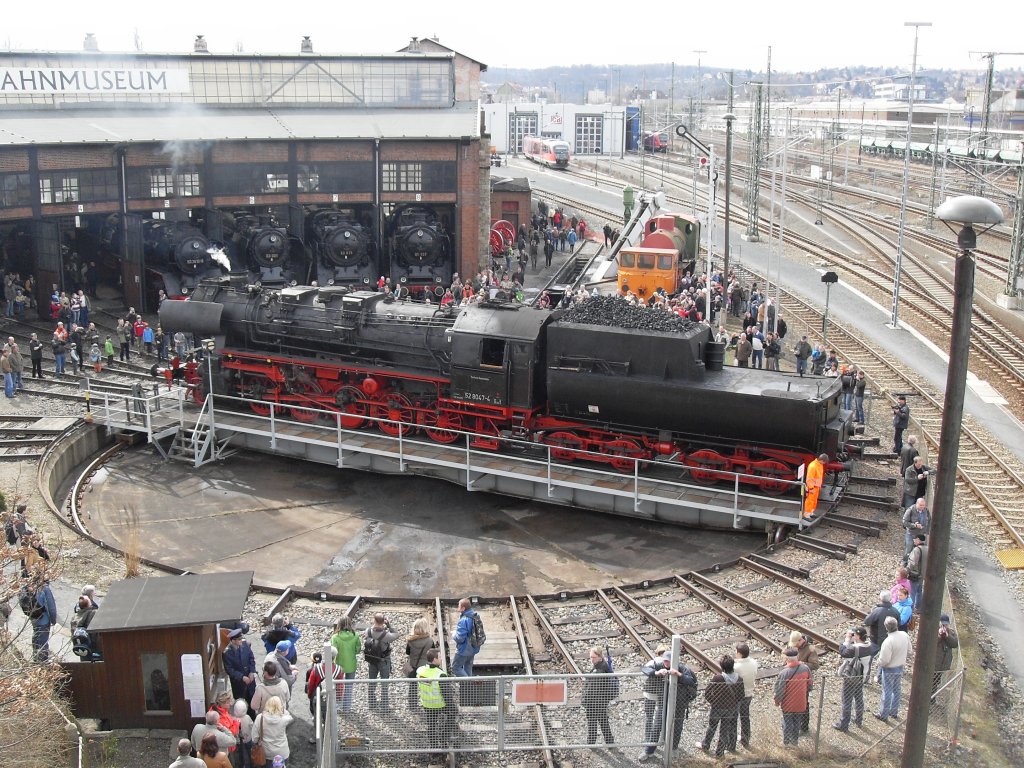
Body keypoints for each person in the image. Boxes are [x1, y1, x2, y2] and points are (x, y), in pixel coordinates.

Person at [638, 646, 697, 762]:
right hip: (663, 701)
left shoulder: (682, 667)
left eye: (668, 661)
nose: (665, 663)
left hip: (680, 702)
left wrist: (678, 674)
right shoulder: (660, 666)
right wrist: (657, 672)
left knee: (678, 726)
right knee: (657, 725)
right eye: (664, 661)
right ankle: (649, 751)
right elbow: (644, 669)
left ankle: (674, 748)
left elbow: (691, 681)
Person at [699, 655, 742, 757]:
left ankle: (706, 745)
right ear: (732, 665)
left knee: (712, 727)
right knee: (724, 730)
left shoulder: (718, 678)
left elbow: (707, 692)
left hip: (717, 707)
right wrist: (734, 703)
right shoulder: (739, 679)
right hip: (730, 708)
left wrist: (713, 702)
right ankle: (720, 752)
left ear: (722, 666)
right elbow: (741, 695)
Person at [834, 627, 875, 731]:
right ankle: (858, 719)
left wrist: (847, 639)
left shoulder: (855, 648)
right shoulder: (870, 646)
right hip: (861, 676)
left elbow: (843, 652)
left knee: (846, 700)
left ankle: (844, 724)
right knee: (859, 698)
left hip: (851, 677)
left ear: (857, 636)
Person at [417, 647, 458, 751]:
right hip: (439, 704)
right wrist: (452, 706)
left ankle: (434, 746)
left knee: (431, 724)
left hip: (426, 704)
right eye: (440, 657)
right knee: (453, 713)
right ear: (434, 660)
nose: (441, 659)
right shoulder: (440, 674)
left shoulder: (420, 671)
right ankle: (444, 737)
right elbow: (447, 695)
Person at [875, 616, 912, 723]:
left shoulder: (888, 641)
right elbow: (910, 651)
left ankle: (883, 714)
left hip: (889, 669)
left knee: (887, 691)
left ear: (886, 628)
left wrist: (878, 663)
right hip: (900, 667)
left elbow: (884, 660)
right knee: (897, 690)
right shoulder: (904, 635)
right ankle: (894, 711)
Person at [774, 647, 812, 747]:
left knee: (787, 723)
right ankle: (795, 742)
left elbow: (780, 690)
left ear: (786, 658)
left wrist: (777, 701)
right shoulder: (806, 668)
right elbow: (810, 684)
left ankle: (786, 743)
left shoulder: (784, 673)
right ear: (797, 657)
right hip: (801, 702)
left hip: (788, 704)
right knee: (797, 722)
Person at [362, 612, 398, 710]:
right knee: (384, 684)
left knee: (372, 682)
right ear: (383, 622)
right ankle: (384, 706)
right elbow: (396, 634)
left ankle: (372, 704)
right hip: (384, 661)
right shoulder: (386, 635)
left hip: (372, 660)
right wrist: (389, 624)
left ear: (374, 620)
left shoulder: (368, 631)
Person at [582, 646, 615, 746]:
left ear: (600, 657)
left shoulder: (599, 670)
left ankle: (591, 743)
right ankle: (609, 742)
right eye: (590, 657)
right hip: (600, 701)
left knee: (592, 723)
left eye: (593, 657)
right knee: (603, 721)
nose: (591, 659)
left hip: (595, 702)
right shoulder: (601, 666)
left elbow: (592, 689)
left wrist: (585, 700)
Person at [788, 631, 820, 733]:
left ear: (801, 640)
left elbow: (815, 665)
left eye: (796, 644)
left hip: (803, 680)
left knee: (804, 703)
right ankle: (794, 724)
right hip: (792, 678)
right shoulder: (792, 645)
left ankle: (803, 726)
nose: (794, 646)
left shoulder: (811, 649)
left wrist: (802, 664)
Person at [330, 616, 361, 712]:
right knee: (349, 686)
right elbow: (357, 650)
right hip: (351, 664)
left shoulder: (335, 637)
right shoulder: (355, 635)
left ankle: (337, 706)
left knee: (337, 686)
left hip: (338, 665)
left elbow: (333, 652)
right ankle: (346, 708)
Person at [405, 618, 437, 708]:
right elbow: (432, 653)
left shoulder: (410, 640)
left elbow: (407, 652)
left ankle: (412, 705)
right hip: (425, 668)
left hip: (413, 666)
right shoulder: (430, 641)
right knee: (426, 686)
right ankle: (427, 703)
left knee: (413, 686)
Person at [252, 695, 292, 767]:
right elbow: (290, 717)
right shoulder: (283, 719)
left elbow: (254, 738)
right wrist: (283, 709)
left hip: (266, 754)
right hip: (282, 752)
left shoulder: (260, 718)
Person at [733, 642, 758, 749]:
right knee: (745, 717)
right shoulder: (753, 662)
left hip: (738, 696)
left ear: (739, 654)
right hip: (749, 693)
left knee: (733, 718)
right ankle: (745, 739)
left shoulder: (736, 667)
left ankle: (731, 741)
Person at [224, 627, 258, 706]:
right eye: (239, 640)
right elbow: (229, 670)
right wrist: (242, 677)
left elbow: (251, 658)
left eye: (241, 639)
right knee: (241, 704)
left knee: (252, 701)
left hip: (250, 680)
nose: (241, 641)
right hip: (239, 684)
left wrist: (252, 671)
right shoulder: (227, 653)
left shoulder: (245, 644)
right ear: (233, 641)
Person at [451, 598, 481, 677]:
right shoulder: (475, 615)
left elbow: (460, 638)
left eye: (459, 606)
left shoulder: (464, 620)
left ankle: (468, 683)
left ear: (463, 608)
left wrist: (454, 634)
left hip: (464, 649)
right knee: (468, 666)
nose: (457, 608)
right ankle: (468, 688)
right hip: (474, 647)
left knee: (455, 668)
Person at [932, 614, 960, 700]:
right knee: (929, 681)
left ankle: (932, 699)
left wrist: (947, 636)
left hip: (943, 664)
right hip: (934, 663)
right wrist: (940, 635)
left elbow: (955, 644)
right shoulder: (934, 630)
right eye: (943, 624)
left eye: (946, 624)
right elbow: (932, 643)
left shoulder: (951, 632)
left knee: (936, 682)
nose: (945, 626)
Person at [802, 453, 827, 519]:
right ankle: (806, 514)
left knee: (814, 500)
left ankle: (811, 512)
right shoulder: (813, 466)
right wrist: (811, 488)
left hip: (816, 486)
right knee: (810, 500)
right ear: (822, 460)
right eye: (824, 462)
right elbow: (810, 478)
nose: (824, 463)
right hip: (812, 487)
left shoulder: (819, 464)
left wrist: (819, 486)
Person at [907, 533, 928, 610]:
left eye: (914, 539)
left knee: (912, 592)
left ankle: (910, 608)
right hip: (923, 574)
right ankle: (918, 607)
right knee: (919, 591)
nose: (914, 541)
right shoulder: (928, 548)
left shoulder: (917, 550)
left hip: (915, 574)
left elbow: (913, 562)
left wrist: (906, 570)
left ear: (918, 540)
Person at [233, 699, 254, 768]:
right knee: (249, 752)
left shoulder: (233, 719)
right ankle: (250, 764)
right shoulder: (247, 717)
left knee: (240, 754)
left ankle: (241, 764)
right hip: (248, 739)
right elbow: (252, 726)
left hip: (238, 740)